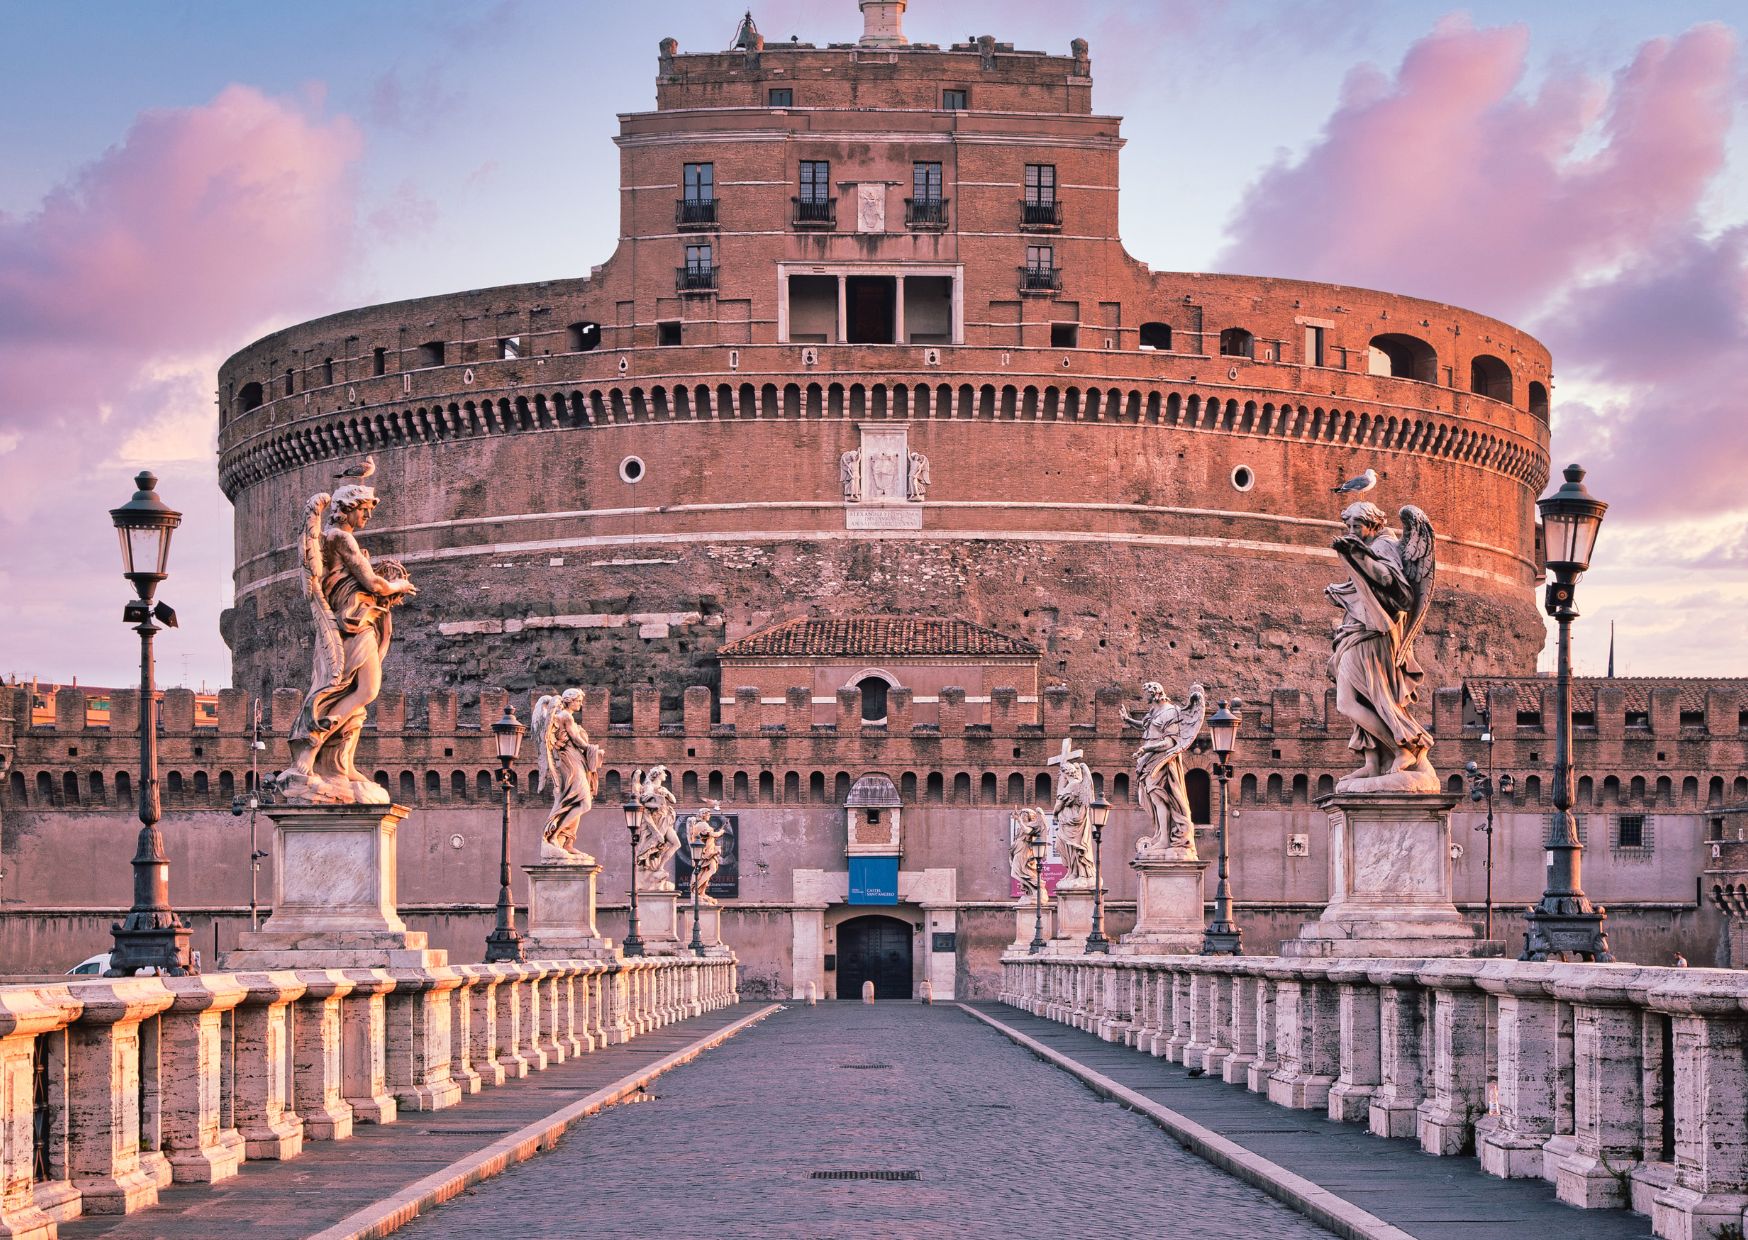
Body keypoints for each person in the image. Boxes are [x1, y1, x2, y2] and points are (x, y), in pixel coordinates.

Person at [279, 484, 416, 804]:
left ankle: (339, 764)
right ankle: (309, 751)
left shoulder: (329, 540)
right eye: (364, 509)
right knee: (362, 689)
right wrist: (400, 584)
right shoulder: (341, 538)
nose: (368, 516)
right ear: (349, 508)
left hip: (353, 624)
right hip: (352, 626)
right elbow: (374, 584)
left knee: (350, 692)